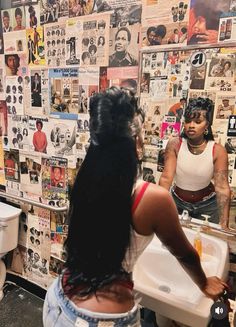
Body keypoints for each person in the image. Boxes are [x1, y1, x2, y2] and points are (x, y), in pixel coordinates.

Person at [43, 87, 227, 327]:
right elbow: (185, 254)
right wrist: (204, 283)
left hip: (56, 299)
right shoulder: (152, 199)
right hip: (101, 320)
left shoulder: (86, 180)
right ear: (138, 141)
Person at [159, 97, 231, 229]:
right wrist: (157, 209)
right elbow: (166, 178)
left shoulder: (217, 150)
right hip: (178, 203)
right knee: (175, 242)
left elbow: (222, 188)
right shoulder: (175, 144)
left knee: (206, 245)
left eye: (198, 121)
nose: (191, 125)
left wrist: (224, 223)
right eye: (188, 121)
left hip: (207, 206)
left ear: (207, 125)